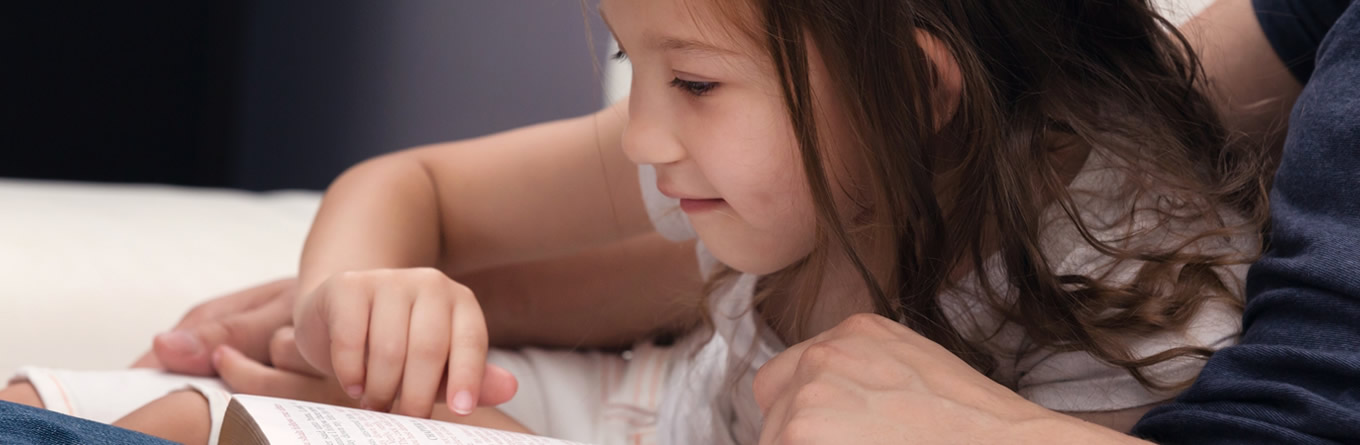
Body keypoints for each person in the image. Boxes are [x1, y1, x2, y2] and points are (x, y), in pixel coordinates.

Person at [1, 0, 1276, 444]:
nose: (644, 134)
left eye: (692, 82)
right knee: (79, 394)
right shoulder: (781, 152)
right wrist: (357, 296)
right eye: (628, 59)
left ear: (922, 90)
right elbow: (407, 189)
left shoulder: (1126, 293)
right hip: (616, 403)